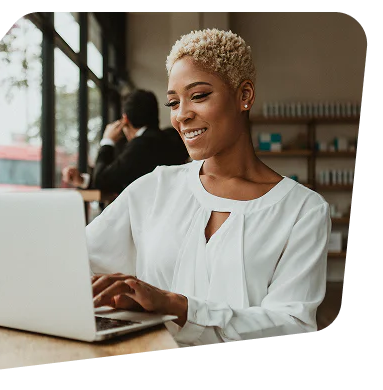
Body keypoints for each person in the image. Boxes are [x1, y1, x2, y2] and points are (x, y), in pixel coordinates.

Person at [85, 28, 331, 346]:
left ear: (244, 96)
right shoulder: (153, 188)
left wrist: (180, 307)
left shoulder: (303, 210)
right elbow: (76, 261)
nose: (182, 115)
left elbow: (291, 326)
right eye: (173, 102)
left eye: (199, 96)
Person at [62, 89, 189, 195]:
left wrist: (107, 141)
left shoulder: (141, 145)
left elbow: (102, 179)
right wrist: (83, 180)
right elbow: (119, 179)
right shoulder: (171, 138)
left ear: (125, 119)